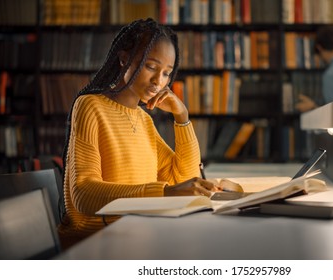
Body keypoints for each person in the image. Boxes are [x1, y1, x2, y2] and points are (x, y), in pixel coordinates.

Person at [58, 18, 220, 247]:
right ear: (124, 59)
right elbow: (83, 194)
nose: (158, 81)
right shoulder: (90, 106)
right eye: (151, 67)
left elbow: (183, 178)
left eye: (166, 73)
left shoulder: (143, 119)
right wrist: (164, 193)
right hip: (94, 243)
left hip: (138, 234)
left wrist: (182, 118)